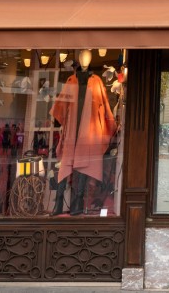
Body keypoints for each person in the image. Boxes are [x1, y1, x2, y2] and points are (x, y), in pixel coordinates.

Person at [50, 51, 116, 215]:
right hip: (72, 130)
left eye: (87, 56)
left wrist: (109, 126)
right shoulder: (71, 80)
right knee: (65, 164)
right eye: (81, 56)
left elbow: (104, 107)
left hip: (89, 131)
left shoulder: (97, 81)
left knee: (84, 164)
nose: (84, 59)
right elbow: (61, 106)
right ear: (78, 59)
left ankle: (78, 200)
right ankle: (59, 202)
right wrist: (62, 123)